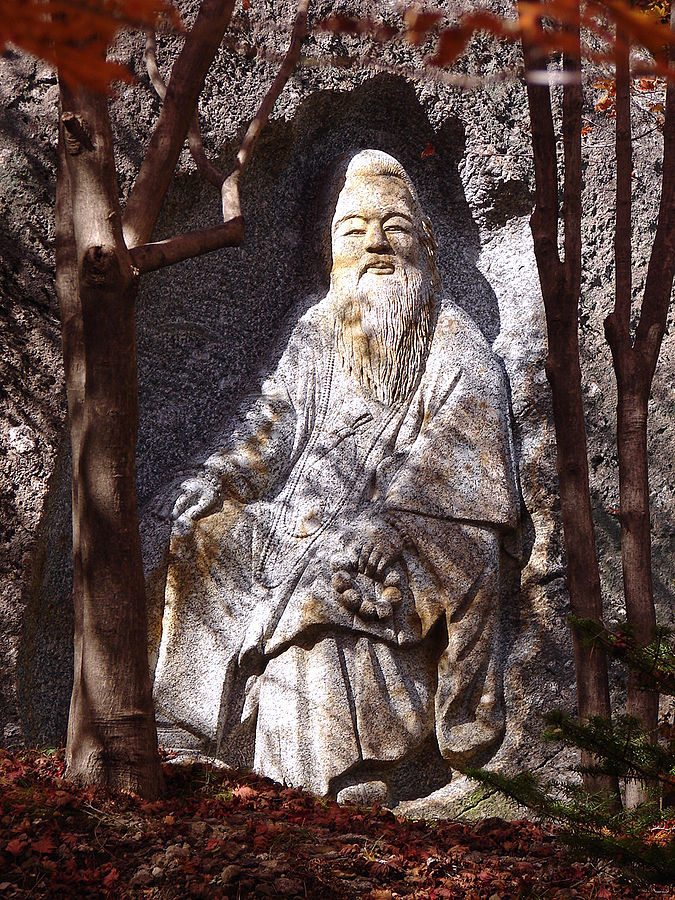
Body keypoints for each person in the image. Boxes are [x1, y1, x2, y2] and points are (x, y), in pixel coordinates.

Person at [153, 149, 519, 804]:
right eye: (355, 231)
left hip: (413, 534)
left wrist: (394, 520)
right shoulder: (318, 331)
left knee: (331, 593)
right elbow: (267, 426)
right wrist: (219, 475)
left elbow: (472, 457)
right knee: (208, 531)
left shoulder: (452, 339)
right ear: (333, 251)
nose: (375, 244)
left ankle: (344, 771)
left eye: (393, 228)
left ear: (425, 247)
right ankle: (183, 726)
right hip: (301, 519)